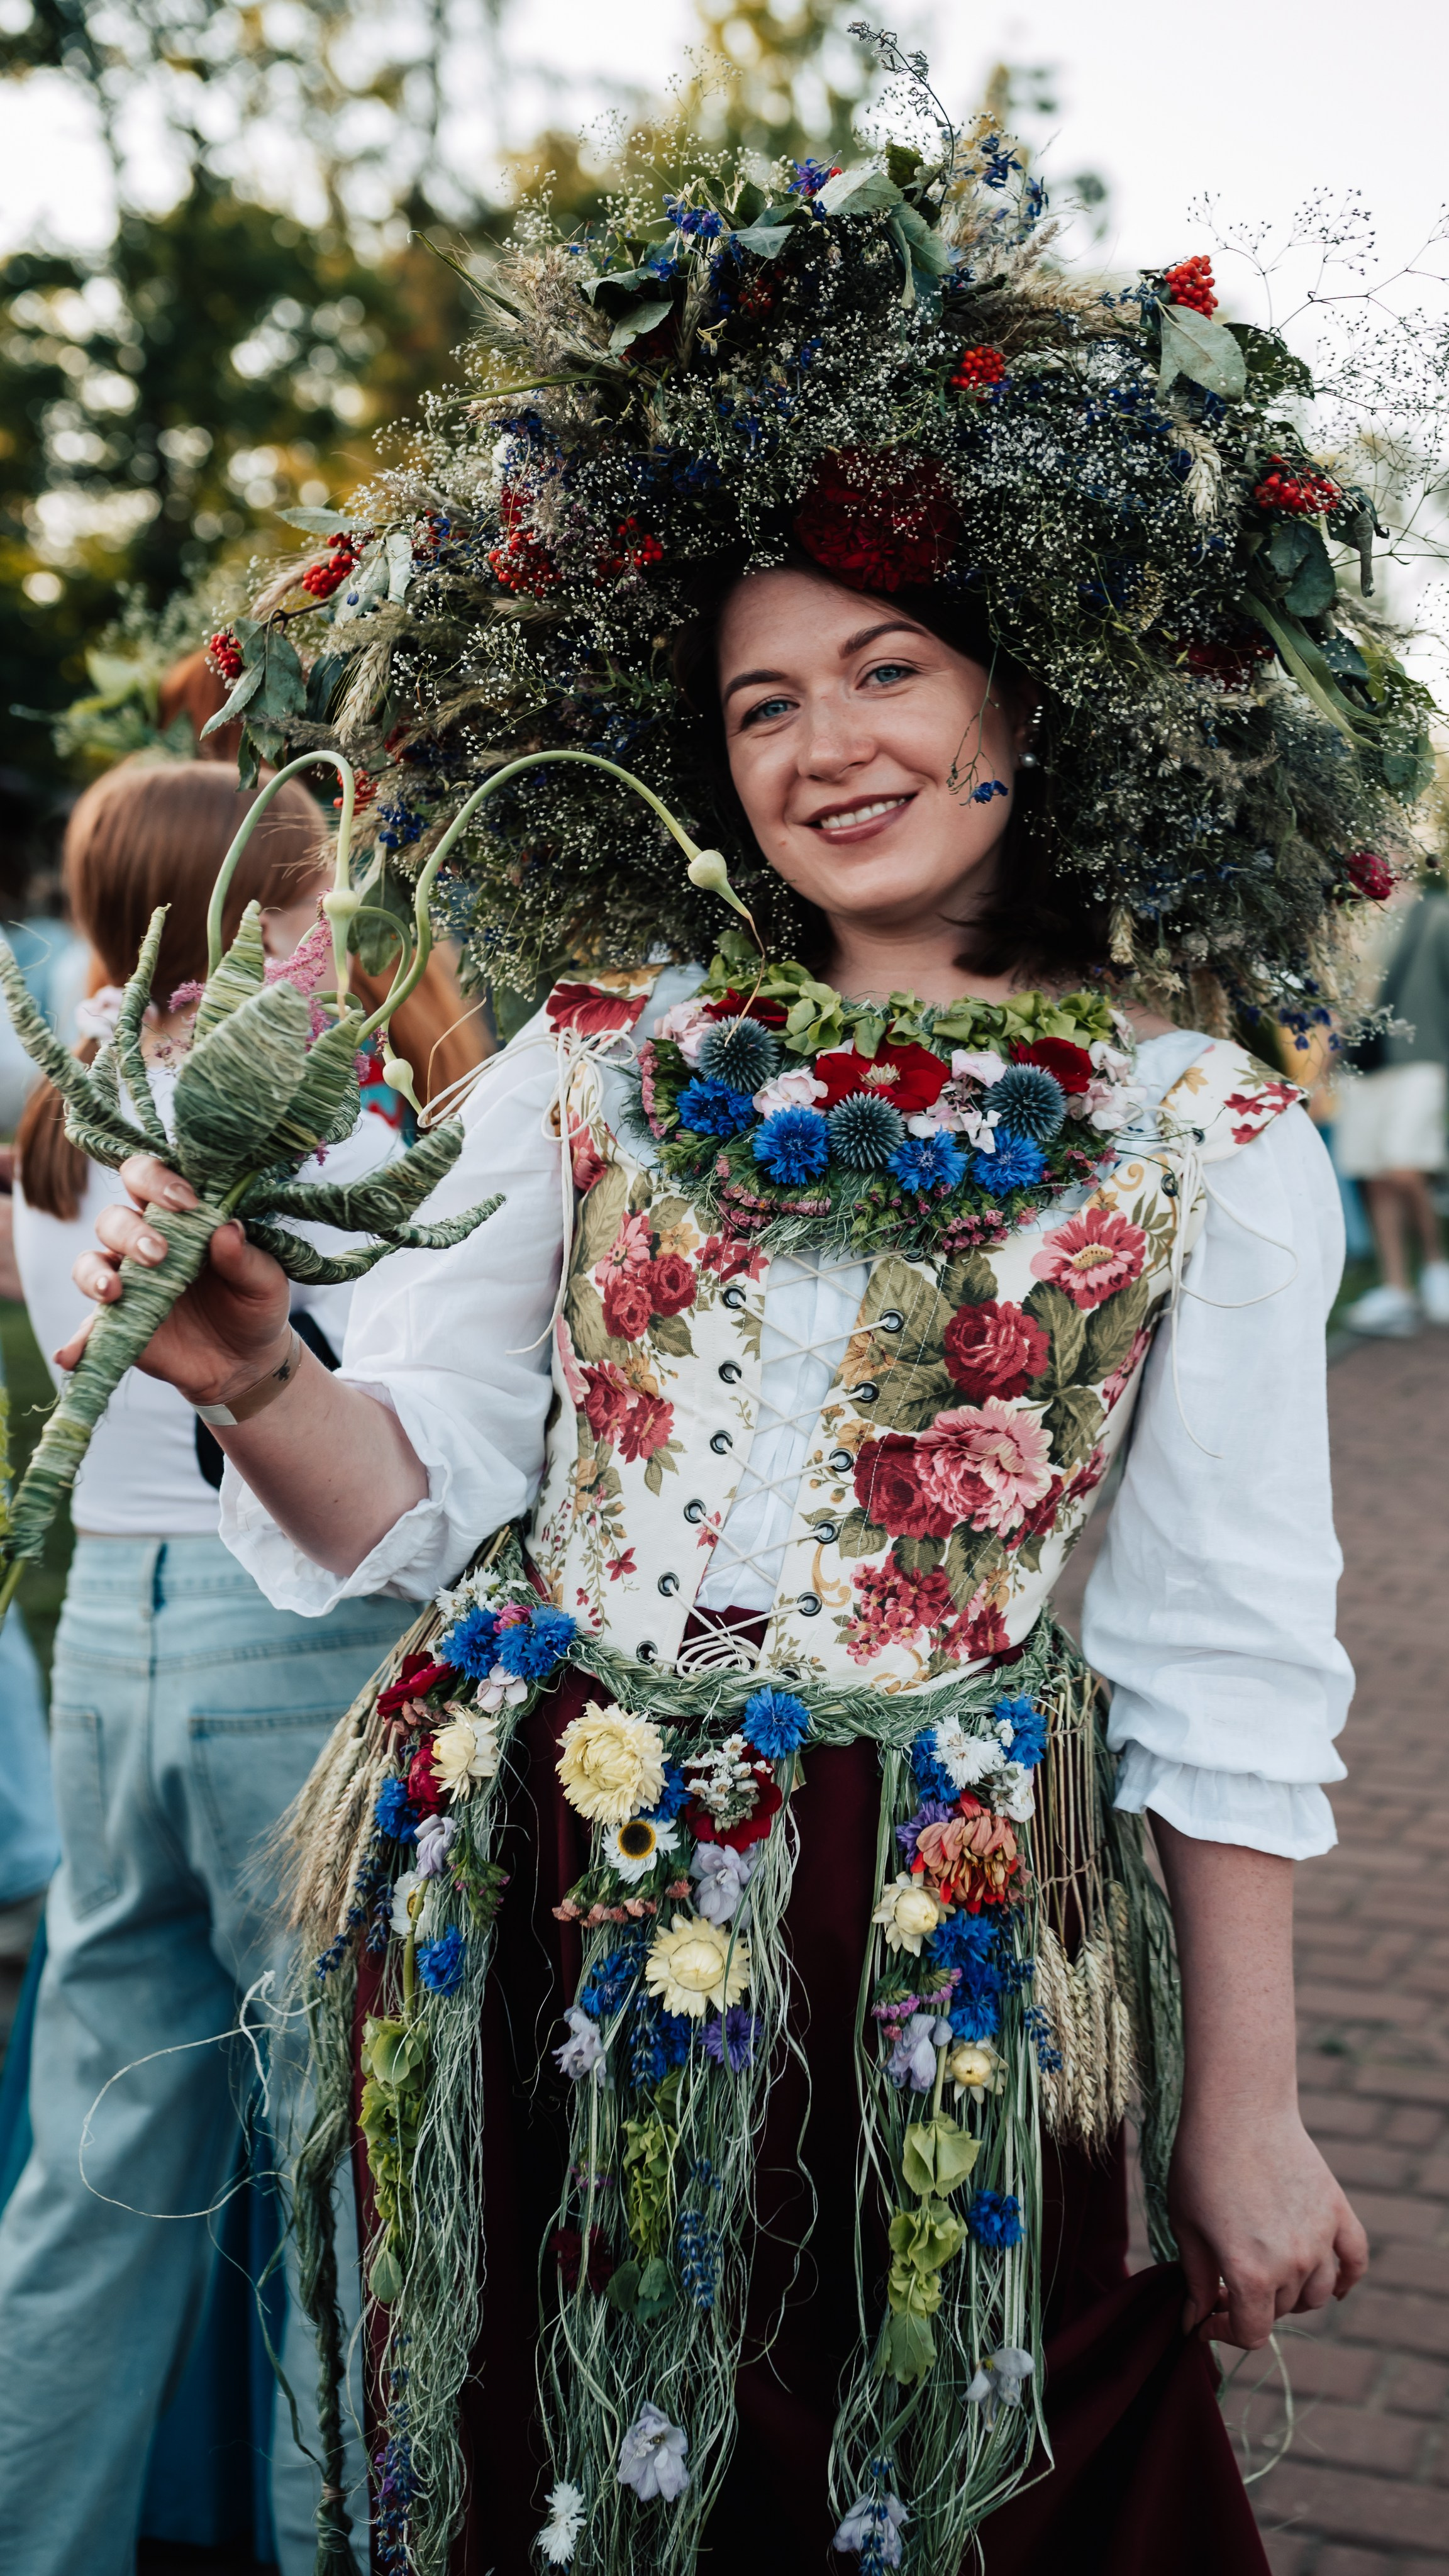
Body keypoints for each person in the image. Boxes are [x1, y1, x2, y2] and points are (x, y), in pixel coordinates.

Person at [60, 106, 1396, 2576]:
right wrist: (251, 1365)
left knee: (990, 2455)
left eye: (889, 665)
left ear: (1043, 702)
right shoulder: (591, 1053)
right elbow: (420, 1501)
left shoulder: (1206, 1127)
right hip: (554, 1868)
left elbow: (1221, 1648)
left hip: (950, 1915)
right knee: (572, 2449)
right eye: (764, 698)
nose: (827, 742)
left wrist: (1249, 2106)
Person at [0, 758, 443, 2576]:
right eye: (309, 894)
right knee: (349, 2178)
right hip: (296, 1639)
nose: (329, 929)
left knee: (92, 2170)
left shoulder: (54, 1117)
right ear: (242, 910)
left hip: (114, 1636)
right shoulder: (288, 1113)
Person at [1336, 875, 1449, 1335]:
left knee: (1404, 1164)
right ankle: (1397, 1288)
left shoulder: (1437, 915)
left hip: (1420, 1059)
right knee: (1376, 1173)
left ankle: (1436, 1266)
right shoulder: (1353, 924)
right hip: (1364, 1065)